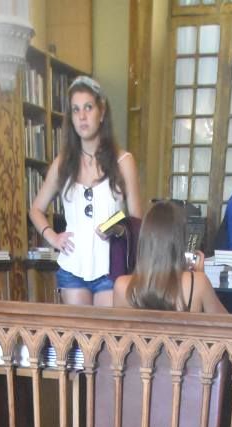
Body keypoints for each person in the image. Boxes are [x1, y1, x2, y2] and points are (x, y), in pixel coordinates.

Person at [29, 74, 142, 307]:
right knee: (78, 342)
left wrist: (116, 226)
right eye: (76, 109)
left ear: (101, 112)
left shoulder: (124, 161)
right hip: (72, 268)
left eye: (88, 108)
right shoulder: (63, 163)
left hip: (112, 268)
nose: (82, 116)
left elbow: (137, 219)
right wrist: (52, 237)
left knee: (105, 342)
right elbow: (36, 209)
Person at [113, 200, 226, 313]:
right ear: (180, 242)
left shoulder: (121, 286)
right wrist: (199, 275)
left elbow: (117, 329)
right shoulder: (198, 283)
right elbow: (228, 325)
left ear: (144, 240)